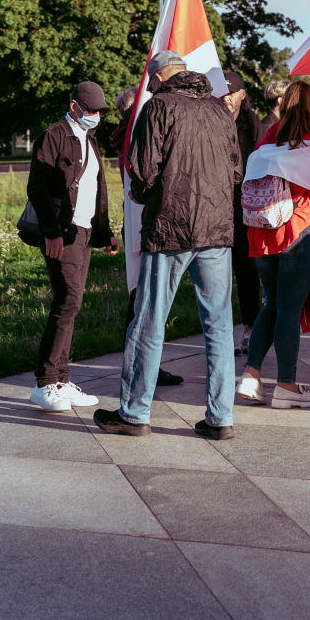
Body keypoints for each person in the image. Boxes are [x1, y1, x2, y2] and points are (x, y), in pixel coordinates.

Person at [95, 54, 241, 441]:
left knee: (148, 320)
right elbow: (236, 169)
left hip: (170, 228)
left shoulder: (157, 105)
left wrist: (145, 197)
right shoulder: (219, 109)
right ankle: (220, 417)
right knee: (219, 325)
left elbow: (142, 170)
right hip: (217, 229)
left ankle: (134, 413)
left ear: (157, 76)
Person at [237, 81, 310, 409]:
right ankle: (286, 385)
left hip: (260, 233)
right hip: (295, 231)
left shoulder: (266, 142)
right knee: (289, 310)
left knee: (271, 305)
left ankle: (251, 376)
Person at [28, 81, 120, 412]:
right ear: (73, 107)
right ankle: (45, 383)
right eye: (91, 110)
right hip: (61, 232)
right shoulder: (53, 136)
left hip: (83, 231)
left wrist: (106, 231)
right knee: (68, 299)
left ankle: (61, 380)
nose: (95, 115)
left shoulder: (89, 140)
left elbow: (98, 189)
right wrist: (51, 232)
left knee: (73, 303)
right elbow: (37, 187)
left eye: (99, 111)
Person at [107, 78, 184, 389]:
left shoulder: (126, 135)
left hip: (137, 220)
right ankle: (141, 366)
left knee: (142, 296)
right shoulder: (136, 135)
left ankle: (143, 363)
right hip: (144, 221)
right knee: (145, 298)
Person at [224, 69, 263, 352]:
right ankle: (220, 330)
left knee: (247, 270)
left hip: (245, 208)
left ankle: (250, 328)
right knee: (216, 272)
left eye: (232, 91)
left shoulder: (251, 122)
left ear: (242, 94)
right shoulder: (210, 119)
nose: (227, 97)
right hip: (215, 208)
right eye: (223, 91)